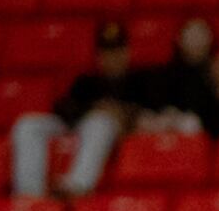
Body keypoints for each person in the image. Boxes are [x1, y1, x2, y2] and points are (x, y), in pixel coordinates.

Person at [8, 21, 136, 199]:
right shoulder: (86, 81)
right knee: (27, 124)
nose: (112, 57)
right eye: (106, 52)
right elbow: (63, 108)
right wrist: (94, 108)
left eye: (117, 51)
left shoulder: (141, 81)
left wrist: (120, 114)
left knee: (101, 123)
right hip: (75, 123)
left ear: (127, 52)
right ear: (98, 55)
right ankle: (29, 193)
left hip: (103, 130)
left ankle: (77, 186)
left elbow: (148, 114)